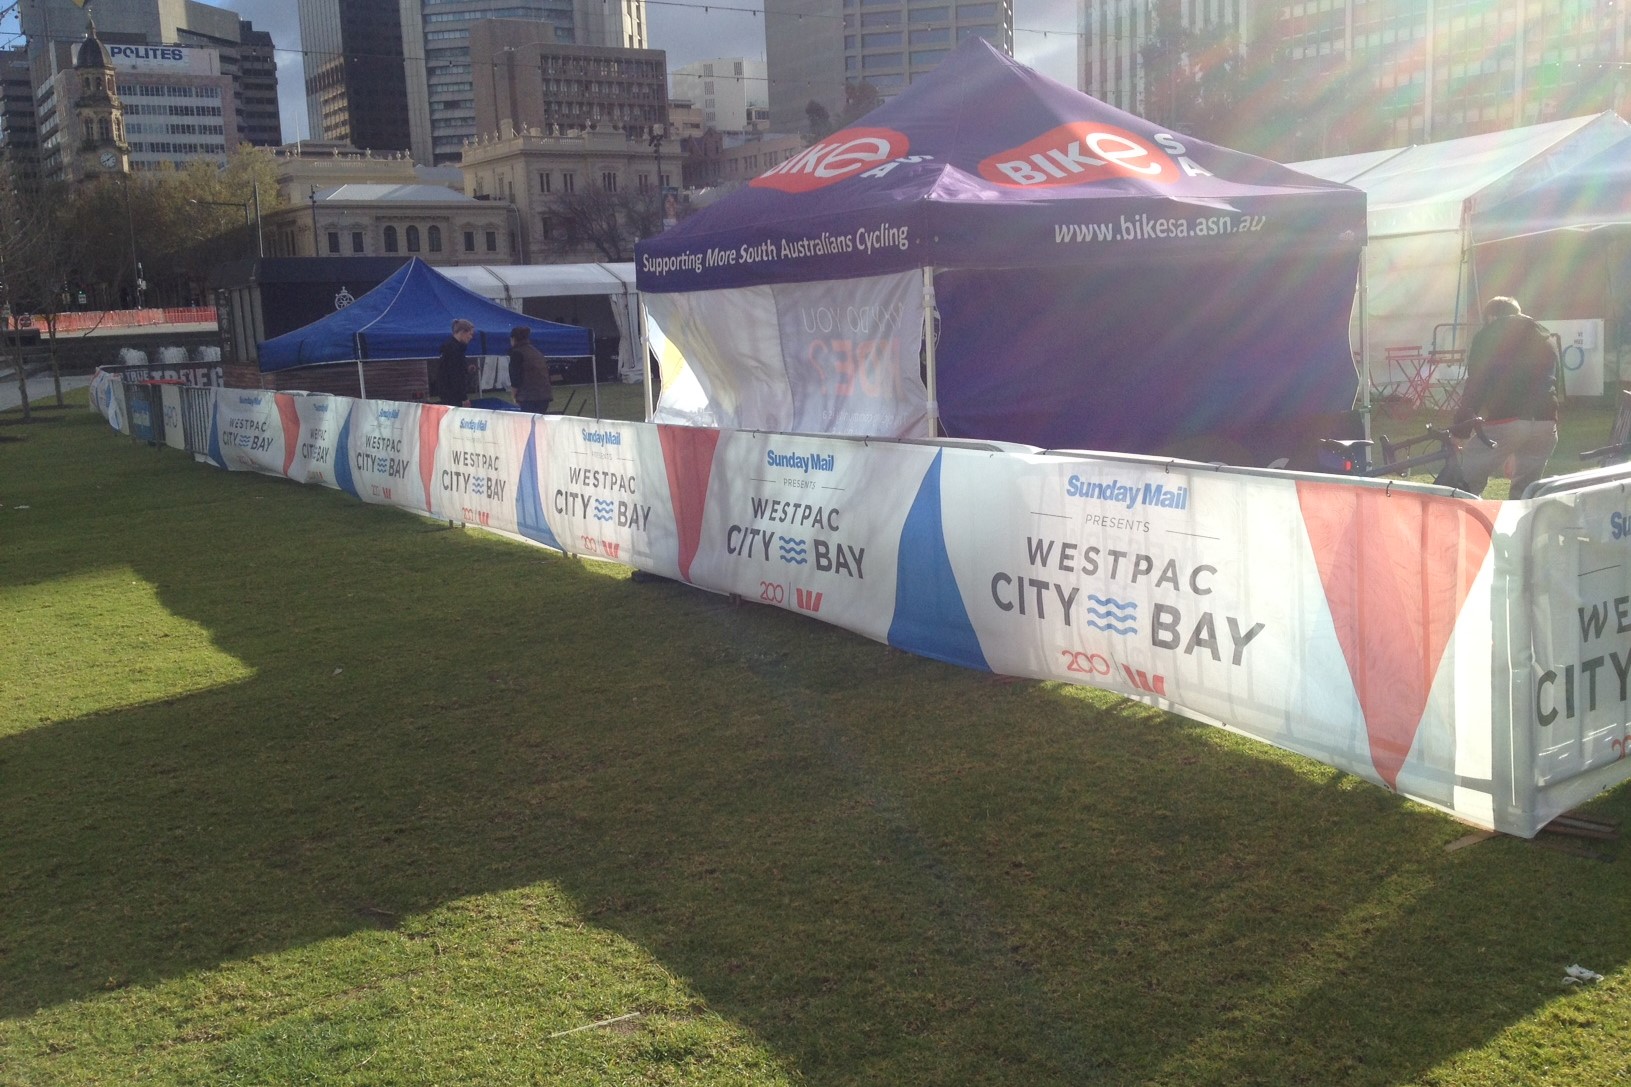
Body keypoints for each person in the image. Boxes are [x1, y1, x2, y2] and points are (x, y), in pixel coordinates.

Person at [1453, 296, 1560, 498]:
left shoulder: (1488, 334)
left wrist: (1461, 429)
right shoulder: (1544, 335)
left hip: (1508, 418)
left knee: (1463, 481)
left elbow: (1476, 384)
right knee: (1526, 493)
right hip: (1546, 422)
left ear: (1491, 316)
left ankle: (1465, 528)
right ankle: (1521, 529)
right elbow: (1553, 383)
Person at [508, 325, 554, 415]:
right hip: (545, 395)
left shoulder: (517, 353)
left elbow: (515, 377)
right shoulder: (536, 352)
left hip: (528, 397)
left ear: (513, 339)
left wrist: (514, 395)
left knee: (528, 424)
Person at [431, 318, 477, 406]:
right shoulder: (454, 350)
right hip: (453, 395)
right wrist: (463, 398)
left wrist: (466, 369)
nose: (471, 337)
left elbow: (451, 369)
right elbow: (455, 375)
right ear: (462, 332)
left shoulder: (449, 348)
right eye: (470, 334)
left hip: (446, 392)